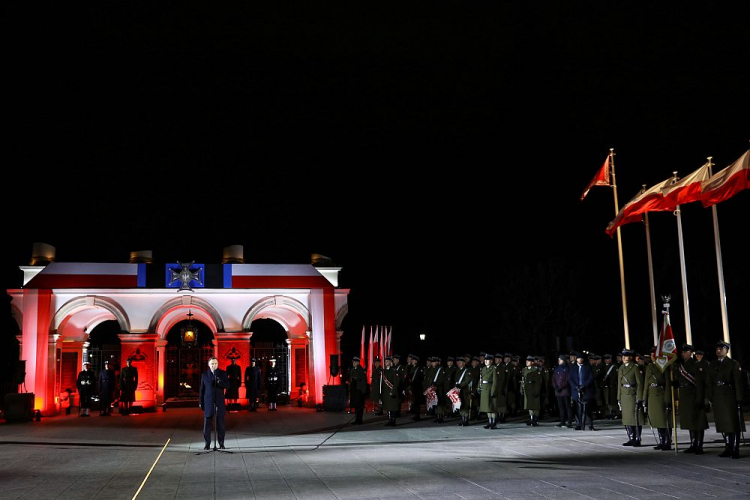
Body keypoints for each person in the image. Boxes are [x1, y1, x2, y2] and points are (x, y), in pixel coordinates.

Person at [706, 340, 744, 459]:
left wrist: (739, 398)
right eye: (717, 349)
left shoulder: (733, 363)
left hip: (729, 396)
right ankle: (728, 447)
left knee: (733, 423)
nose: (718, 351)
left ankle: (735, 448)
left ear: (727, 351)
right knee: (723, 423)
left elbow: (738, 382)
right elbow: (709, 382)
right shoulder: (713, 364)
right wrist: (710, 397)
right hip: (717, 396)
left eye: (721, 349)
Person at [674, 344, 708, 454]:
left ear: (690, 352)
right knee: (689, 421)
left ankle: (699, 445)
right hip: (685, 395)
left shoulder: (696, 364)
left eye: (685, 352)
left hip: (694, 395)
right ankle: (693, 444)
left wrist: (700, 399)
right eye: (682, 352)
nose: (683, 354)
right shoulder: (681, 365)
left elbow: (699, 383)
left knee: (698, 421)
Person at [642, 349, 673, 450]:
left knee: (664, 420)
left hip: (661, 395)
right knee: (656, 420)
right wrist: (644, 398)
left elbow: (668, 383)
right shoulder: (649, 366)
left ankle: (667, 441)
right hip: (652, 395)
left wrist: (668, 399)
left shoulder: (664, 366)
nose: (652, 356)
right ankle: (661, 440)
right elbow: (646, 383)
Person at [199, 357, 229, 450]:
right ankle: (207, 444)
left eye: (215, 363)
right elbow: (202, 389)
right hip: (208, 402)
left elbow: (228, 386)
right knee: (207, 423)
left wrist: (219, 382)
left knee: (220, 423)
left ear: (218, 364)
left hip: (219, 401)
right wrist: (201, 402)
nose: (214, 365)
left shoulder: (223, 373)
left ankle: (221, 443)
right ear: (209, 365)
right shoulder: (204, 374)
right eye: (212, 364)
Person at [618, 349, 645, 446]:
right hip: (624, 395)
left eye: (626, 356)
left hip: (632, 395)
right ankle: (631, 438)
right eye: (623, 356)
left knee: (635, 418)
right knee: (627, 419)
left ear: (631, 357)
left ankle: (637, 438)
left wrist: (639, 397)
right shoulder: (621, 368)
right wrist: (619, 397)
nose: (624, 358)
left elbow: (640, 384)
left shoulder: (635, 367)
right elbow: (619, 384)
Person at [570, 352, 597, 430]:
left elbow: (591, 377)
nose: (580, 360)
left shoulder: (587, 367)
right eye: (578, 358)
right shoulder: (573, 367)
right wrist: (575, 386)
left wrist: (584, 385)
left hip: (586, 390)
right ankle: (579, 424)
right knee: (577, 408)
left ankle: (590, 424)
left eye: (581, 358)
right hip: (576, 390)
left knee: (587, 408)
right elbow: (570, 378)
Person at [552, 354, 574, 428]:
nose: (558, 361)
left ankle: (570, 421)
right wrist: (555, 387)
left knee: (567, 406)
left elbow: (567, 380)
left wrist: (561, 387)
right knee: (560, 407)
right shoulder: (557, 368)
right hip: (558, 391)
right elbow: (553, 379)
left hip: (565, 391)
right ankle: (562, 421)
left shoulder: (568, 368)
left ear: (563, 360)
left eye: (560, 359)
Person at [380, 356, 402, 426]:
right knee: (388, 407)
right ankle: (389, 420)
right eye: (385, 361)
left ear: (390, 362)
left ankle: (393, 421)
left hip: (392, 392)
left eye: (387, 361)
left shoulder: (394, 371)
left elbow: (396, 382)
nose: (386, 362)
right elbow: (382, 383)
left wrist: (393, 391)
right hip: (386, 393)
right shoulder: (383, 371)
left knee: (393, 407)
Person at [521, 355, 543, 426]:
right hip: (527, 388)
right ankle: (531, 418)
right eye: (526, 361)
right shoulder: (525, 370)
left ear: (532, 362)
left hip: (533, 388)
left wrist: (536, 391)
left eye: (528, 361)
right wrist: (521, 388)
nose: (527, 362)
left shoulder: (535, 370)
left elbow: (538, 382)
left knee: (535, 405)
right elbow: (523, 380)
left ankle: (535, 419)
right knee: (529, 405)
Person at [479, 354, 498, 429]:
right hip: (484, 388)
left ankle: (494, 422)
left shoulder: (494, 369)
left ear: (491, 361)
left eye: (488, 360)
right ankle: (489, 422)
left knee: (492, 407)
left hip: (490, 388)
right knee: (487, 407)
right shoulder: (483, 369)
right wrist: (479, 387)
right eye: (485, 360)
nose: (486, 361)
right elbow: (481, 379)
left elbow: (495, 381)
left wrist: (493, 391)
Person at [348, 356, 367, 424]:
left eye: (355, 362)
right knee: (356, 405)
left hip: (359, 390)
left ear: (358, 363)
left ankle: (359, 419)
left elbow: (364, 381)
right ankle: (356, 419)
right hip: (354, 390)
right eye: (353, 362)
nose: (353, 363)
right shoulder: (352, 370)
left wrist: (363, 391)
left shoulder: (361, 370)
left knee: (360, 406)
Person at [601, 354, 620, 419]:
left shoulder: (614, 367)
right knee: (606, 400)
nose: (606, 360)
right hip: (605, 386)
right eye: (605, 359)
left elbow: (616, 377)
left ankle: (614, 412)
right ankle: (608, 413)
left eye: (608, 359)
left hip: (612, 387)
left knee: (612, 400)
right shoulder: (603, 367)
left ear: (610, 359)